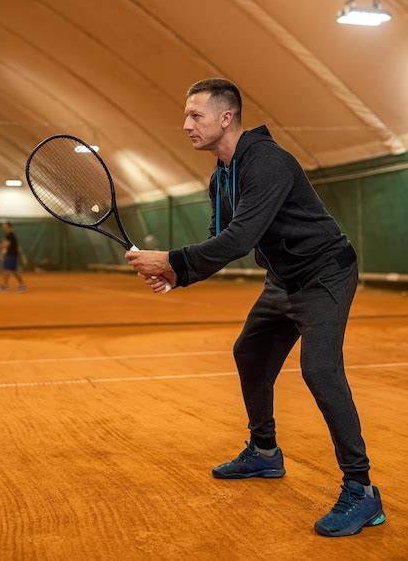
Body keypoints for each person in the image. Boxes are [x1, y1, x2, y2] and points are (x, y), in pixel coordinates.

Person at [126, 78, 385, 537]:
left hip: (325, 273)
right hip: (283, 279)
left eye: (195, 115)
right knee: (249, 352)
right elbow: (220, 243)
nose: (185, 124)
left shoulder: (266, 162)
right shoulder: (220, 177)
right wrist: (177, 274)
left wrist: (170, 259)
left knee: (320, 370)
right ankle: (264, 453)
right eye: (186, 115)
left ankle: (362, 490)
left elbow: (241, 239)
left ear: (226, 118)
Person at [0, 222, 27, 293]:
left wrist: (0, 250)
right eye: (3, 226)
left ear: (9, 227)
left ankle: (4, 287)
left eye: (5, 226)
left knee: (6, 270)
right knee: (14, 271)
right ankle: (22, 285)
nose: (3, 228)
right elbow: (8, 245)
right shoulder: (10, 235)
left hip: (11, 255)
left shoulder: (10, 235)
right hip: (12, 255)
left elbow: (6, 245)